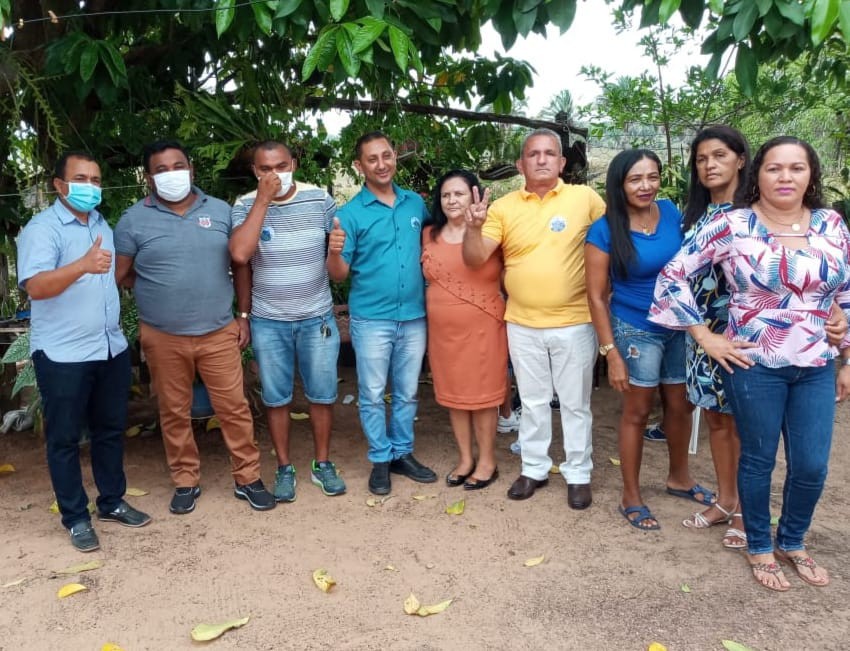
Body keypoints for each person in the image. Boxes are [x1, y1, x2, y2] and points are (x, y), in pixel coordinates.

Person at [651, 136, 850, 591]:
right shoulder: (734, 224)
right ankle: (759, 544)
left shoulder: (832, 224)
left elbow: (845, 293)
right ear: (756, 174)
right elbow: (673, 275)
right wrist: (705, 336)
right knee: (758, 459)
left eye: (796, 168)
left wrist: (847, 355)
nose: (785, 177)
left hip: (816, 362)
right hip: (754, 363)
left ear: (811, 176)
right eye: (774, 168)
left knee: (812, 465)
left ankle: (793, 540)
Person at [114, 140, 275, 514]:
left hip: (218, 331)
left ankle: (248, 478)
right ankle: (185, 480)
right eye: (161, 170)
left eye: (178, 166)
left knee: (234, 408)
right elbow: (122, 274)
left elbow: (240, 265)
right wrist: (160, 285)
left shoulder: (220, 211)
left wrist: (243, 316)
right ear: (148, 178)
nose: (171, 174)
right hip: (162, 335)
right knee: (173, 411)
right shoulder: (132, 220)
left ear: (192, 169)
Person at [463, 128, 605, 509]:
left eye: (549, 153)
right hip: (522, 323)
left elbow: (612, 244)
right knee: (532, 400)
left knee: (575, 403)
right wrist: (473, 228)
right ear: (520, 164)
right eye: (533, 154)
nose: (541, 159)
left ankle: (578, 473)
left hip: (575, 321)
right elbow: (475, 258)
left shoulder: (585, 199)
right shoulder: (503, 208)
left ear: (562, 162)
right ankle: (534, 468)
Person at [18, 151, 151, 552]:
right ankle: (76, 517)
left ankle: (111, 501)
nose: (90, 187)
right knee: (64, 439)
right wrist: (82, 265)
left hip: (109, 348)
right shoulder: (42, 229)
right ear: (59, 185)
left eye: (95, 179)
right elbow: (35, 287)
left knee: (109, 430)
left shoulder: (100, 223)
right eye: (80, 179)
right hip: (63, 354)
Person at [586, 148, 713, 530]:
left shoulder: (671, 213)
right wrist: (611, 353)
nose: (645, 186)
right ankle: (631, 495)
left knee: (681, 406)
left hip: (679, 327)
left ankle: (679, 478)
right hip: (635, 328)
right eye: (635, 179)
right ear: (619, 184)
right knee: (637, 412)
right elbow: (595, 296)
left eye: (652, 177)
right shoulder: (604, 230)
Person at [229, 140, 345, 501]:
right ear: (255, 171)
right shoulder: (245, 205)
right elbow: (240, 255)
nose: (274, 174)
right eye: (265, 169)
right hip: (268, 321)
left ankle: (322, 463)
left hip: (317, 318)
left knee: (322, 394)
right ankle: (284, 467)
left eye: (281, 166)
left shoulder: (319, 199)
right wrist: (263, 201)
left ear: (293, 163)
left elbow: (335, 256)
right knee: (276, 398)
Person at [327, 131, 437, 495]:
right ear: (359, 166)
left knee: (407, 391)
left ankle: (402, 453)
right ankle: (380, 458)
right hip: (372, 319)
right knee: (373, 393)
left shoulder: (414, 204)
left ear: (394, 157)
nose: (381, 164)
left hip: (414, 316)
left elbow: (433, 247)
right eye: (372, 159)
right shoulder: (349, 215)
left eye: (386, 155)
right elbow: (339, 274)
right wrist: (334, 251)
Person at [421, 170, 507, 489]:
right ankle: (465, 459)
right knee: (454, 396)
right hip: (442, 334)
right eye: (446, 195)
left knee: (483, 398)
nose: (452, 200)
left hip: (484, 328)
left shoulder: (492, 230)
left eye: (459, 194)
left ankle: (487, 461)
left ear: (474, 196)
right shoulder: (428, 234)